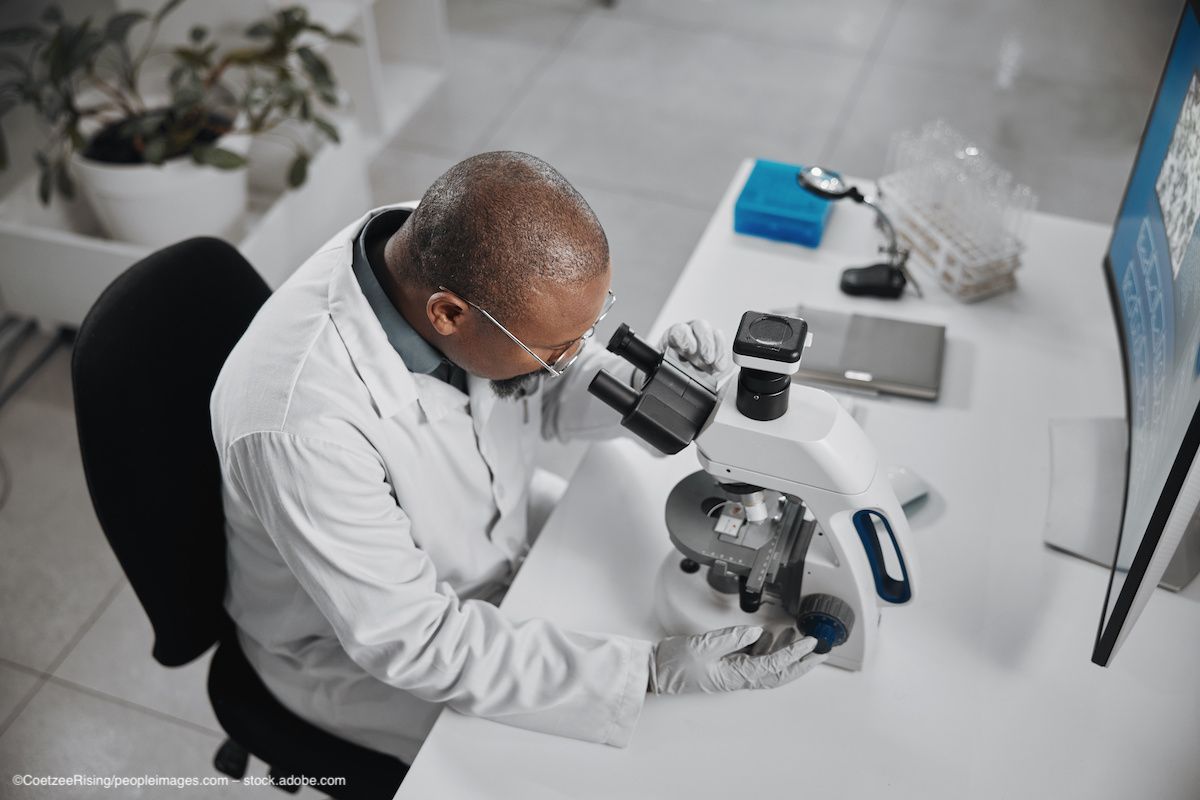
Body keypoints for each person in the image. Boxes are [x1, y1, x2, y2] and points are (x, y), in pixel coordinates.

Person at [210, 151, 826, 764]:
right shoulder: (303, 428)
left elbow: (548, 390)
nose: (575, 358)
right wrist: (645, 672)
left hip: (487, 533)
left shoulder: (443, 251)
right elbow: (415, 641)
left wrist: (649, 390)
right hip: (361, 654)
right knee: (606, 763)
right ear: (448, 315)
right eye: (555, 349)